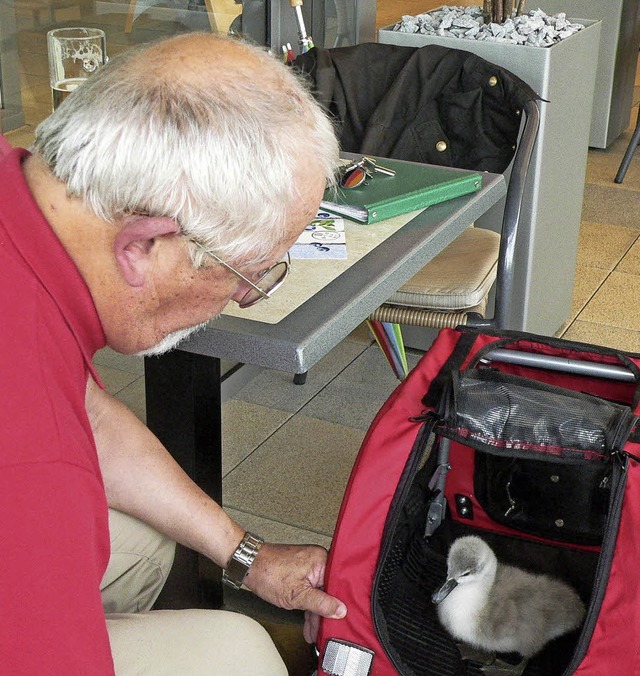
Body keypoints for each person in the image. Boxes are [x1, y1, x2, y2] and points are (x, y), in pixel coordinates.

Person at [0, 32, 347, 674]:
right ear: (142, 246)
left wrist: (249, 555)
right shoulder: (33, 471)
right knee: (238, 654)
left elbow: (90, 418)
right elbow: (46, 444)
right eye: (249, 272)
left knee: (147, 546)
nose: (245, 299)